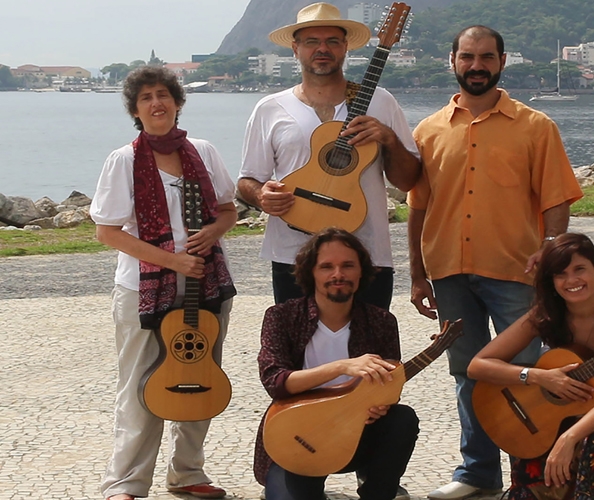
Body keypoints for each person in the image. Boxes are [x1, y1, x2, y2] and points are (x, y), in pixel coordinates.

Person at [407, 25, 583, 499]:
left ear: (502, 61)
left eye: (486, 57)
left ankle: (532, 476)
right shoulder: (427, 130)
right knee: (467, 373)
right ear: (453, 61)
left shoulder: (536, 126)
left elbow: (556, 203)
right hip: (447, 272)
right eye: (467, 56)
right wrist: (417, 273)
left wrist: (552, 256)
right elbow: (418, 207)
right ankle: (477, 474)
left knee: (526, 371)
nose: (476, 65)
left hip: (516, 273)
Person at [90, 66, 237, 500]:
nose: (157, 104)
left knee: (200, 375)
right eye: (146, 98)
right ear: (136, 110)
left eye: (163, 95)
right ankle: (125, 482)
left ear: (177, 101)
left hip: (205, 283)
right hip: (143, 287)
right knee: (139, 383)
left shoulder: (203, 152)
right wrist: (173, 261)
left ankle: (188, 474)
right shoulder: (124, 160)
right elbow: (108, 231)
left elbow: (227, 209)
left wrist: (212, 233)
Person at [237, 2, 421, 311]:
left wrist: (388, 139)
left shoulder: (381, 102)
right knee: (298, 351)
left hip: (367, 255)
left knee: (370, 352)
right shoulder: (269, 108)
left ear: (345, 47)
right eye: (312, 41)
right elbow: (247, 180)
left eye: (332, 41)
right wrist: (261, 195)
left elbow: (407, 180)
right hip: (292, 255)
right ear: (295, 49)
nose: (322, 49)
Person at [468, 233, 594, 499]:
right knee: (531, 445)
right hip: (559, 419)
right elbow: (478, 365)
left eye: (579, 269)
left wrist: (568, 439)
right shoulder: (545, 314)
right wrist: (538, 377)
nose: (571, 281)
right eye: (561, 274)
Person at [253, 227, 419, 500]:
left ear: (361, 272)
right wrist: (343, 366)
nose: (338, 275)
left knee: (402, 420)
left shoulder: (382, 322)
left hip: (355, 434)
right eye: (326, 266)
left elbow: (389, 386)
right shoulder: (281, 316)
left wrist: (380, 405)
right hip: (298, 435)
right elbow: (276, 382)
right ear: (311, 273)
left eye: (347, 266)